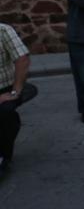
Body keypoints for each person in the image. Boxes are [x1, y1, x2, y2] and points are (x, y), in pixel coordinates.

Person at [0, 23, 30, 179]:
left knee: (5, 113)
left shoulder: (3, 30)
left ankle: (4, 156)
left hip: (5, 87)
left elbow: (22, 59)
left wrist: (15, 91)